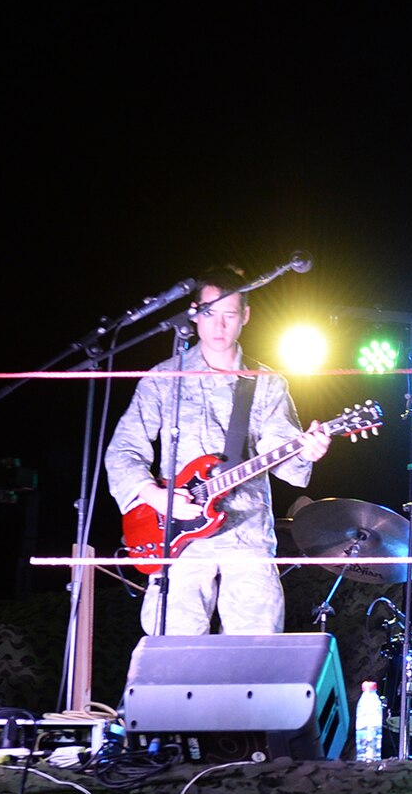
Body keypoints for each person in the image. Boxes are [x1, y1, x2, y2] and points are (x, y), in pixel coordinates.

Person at [105, 271, 331, 634]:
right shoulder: (165, 378)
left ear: (245, 316)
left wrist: (308, 450)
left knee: (253, 655)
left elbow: (283, 458)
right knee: (174, 651)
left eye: (229, 314)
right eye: (210, 313)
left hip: (248, 536)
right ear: (193, 313)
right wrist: (157, 497)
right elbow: (122, 452)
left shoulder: (267, 383)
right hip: (176, 534)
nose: (219, 325)